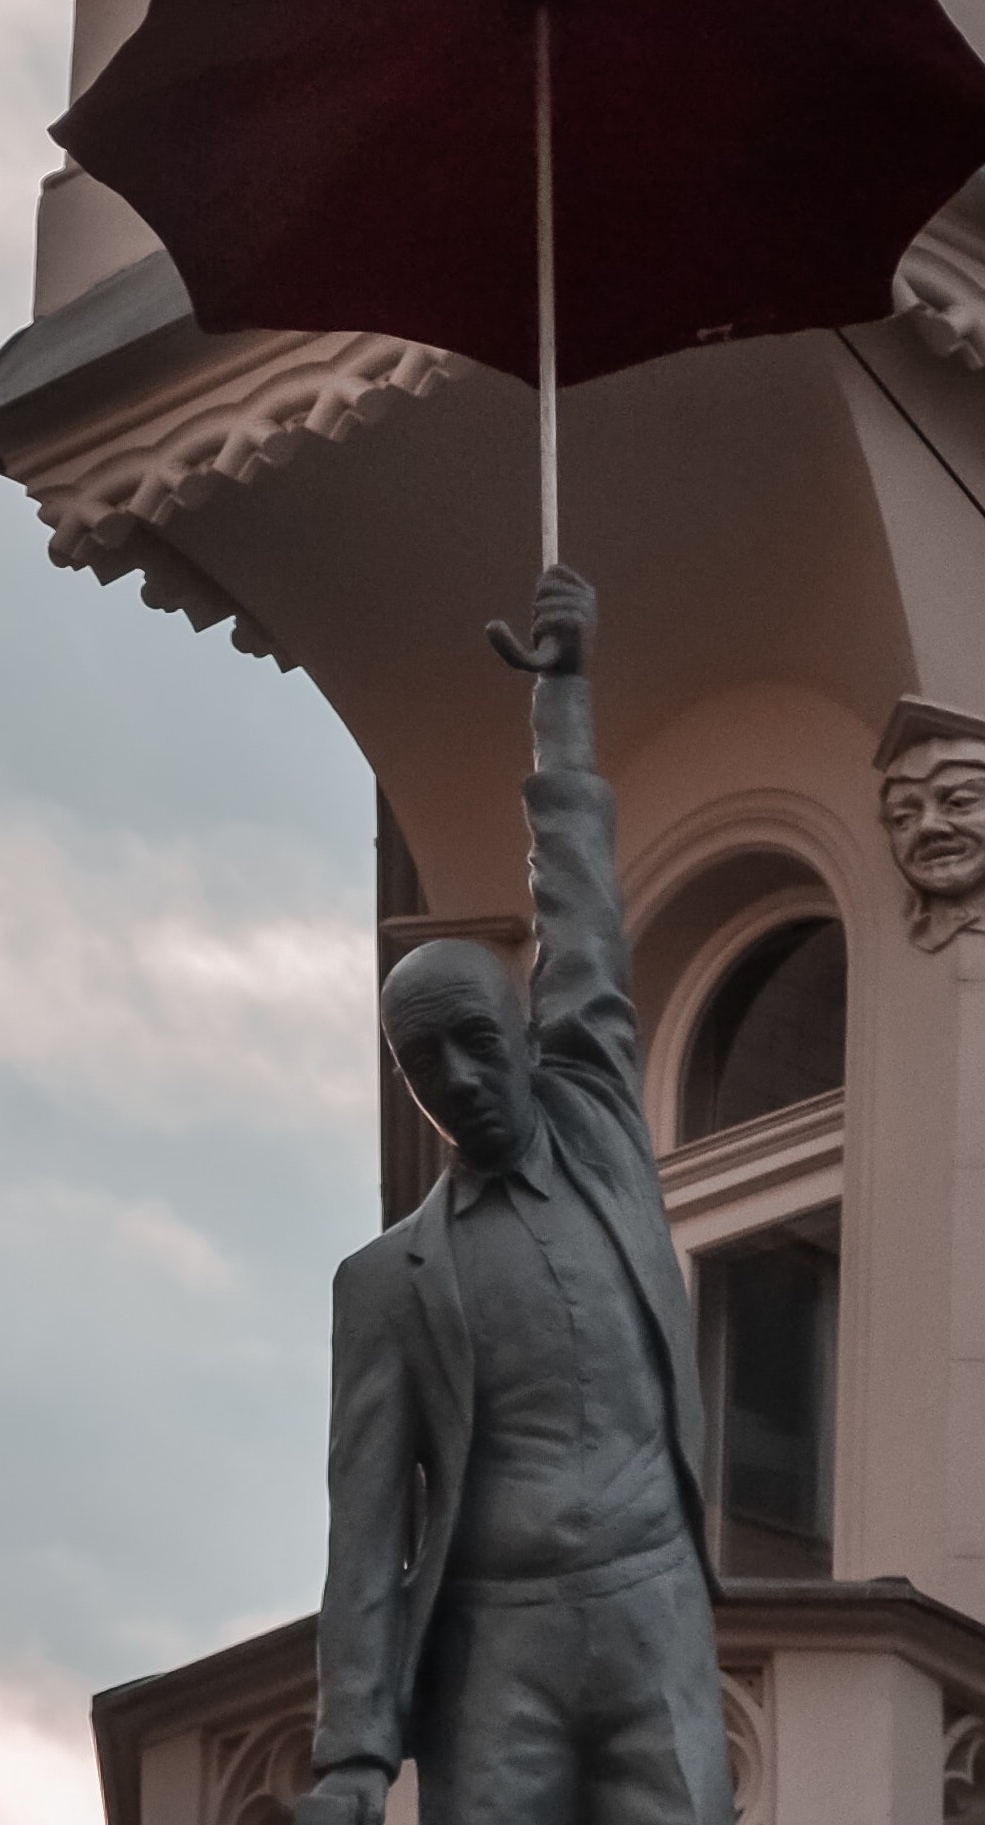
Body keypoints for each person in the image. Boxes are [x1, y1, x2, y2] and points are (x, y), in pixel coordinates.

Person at [297, 566, 730, 1825]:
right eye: (423, 1067)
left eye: (478, 1042)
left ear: (528, 1036)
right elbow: (366, 1531)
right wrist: (350, 1759)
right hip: (496, 1647)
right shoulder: (387, 1285)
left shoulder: (596, 1122)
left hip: (651, 1607)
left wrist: (563, 710)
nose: (461, 1081)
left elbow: (581, 910)